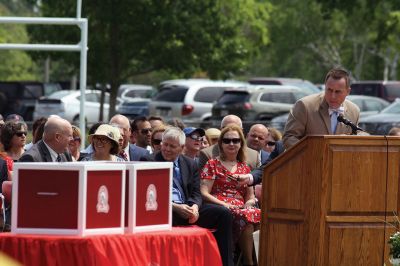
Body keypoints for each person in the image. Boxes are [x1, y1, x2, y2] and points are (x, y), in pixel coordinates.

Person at [154, 127, 234, 266]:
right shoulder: (150, 161)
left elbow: (196, 192)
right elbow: (148, 196)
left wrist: (195, 207)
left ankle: (226, 263)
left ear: (182, 147)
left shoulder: (190, 163)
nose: (166, 149)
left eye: (172, 146)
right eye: (165, 144)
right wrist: (175, 207)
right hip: (165, 209)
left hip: (188, 208)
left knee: (223, 213)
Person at [200, 125, 260, 266]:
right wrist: (225, 204)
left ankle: (257, 259)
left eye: (235, 140)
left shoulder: (245, 167)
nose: (231, 144)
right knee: (246, 217)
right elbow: (204, 193)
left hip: (241, 207)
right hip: (220, 206)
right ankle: (249, 262)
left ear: (241, 143)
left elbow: (250, 196)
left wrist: (249, 203)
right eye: (227, 141)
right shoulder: (212, 164)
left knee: (258, 214)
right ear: (221, 143)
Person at [283, 67, 360, 149]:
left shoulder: (354, 111)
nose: (333, 96)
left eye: (338, 92)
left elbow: (359, 135)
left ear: (348, 92)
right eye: (329, 90)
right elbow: (289, 137)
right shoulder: (305, 106)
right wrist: (309, 153)